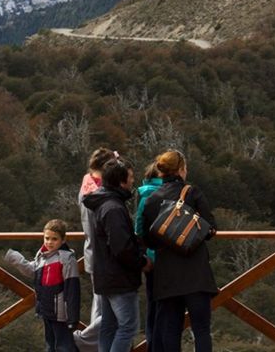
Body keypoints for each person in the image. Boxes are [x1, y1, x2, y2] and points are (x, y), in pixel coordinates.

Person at [142, 150, 217, 352]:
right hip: (196, 273)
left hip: (166, 276)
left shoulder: (151, 200)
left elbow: (148, 240)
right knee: (201, 330)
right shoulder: (192, 193)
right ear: (182, 170)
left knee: (171, 331)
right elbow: (210, 228)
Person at [82, 157, 152, 352]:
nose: (132, 180)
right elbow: (121, 247)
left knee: (109, 325)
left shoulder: (102, 204)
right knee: (128, 327)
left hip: (105, 275)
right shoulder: (113, 208)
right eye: (130, 177)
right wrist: (142, 262)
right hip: (119, 277)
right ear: (121, 181)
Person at [6, 219, 81, 352]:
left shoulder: (67, 259)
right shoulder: (42, 255)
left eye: (54, 239)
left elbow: (72, 289)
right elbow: (32, 271)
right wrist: (14, 258)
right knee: (50, 345)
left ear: (63, 240)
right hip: (46, 309)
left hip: (61, 314)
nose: (49, 242)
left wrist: (72, 317)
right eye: (47, 238)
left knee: (64, 346)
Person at [75, 147, 115, 352]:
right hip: (102, 256)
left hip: (93, 254)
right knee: (114, 310)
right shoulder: (95, 193)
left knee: (100, 306)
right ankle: (79, 340)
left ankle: (96, 346)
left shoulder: (87, 185)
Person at [134, 161, 163, 350]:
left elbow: (139, 229)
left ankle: (151, 345)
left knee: (152, 306)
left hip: (150, 259)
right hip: (168, 259)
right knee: (168, 309)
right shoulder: (171, 193)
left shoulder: (143, 195)